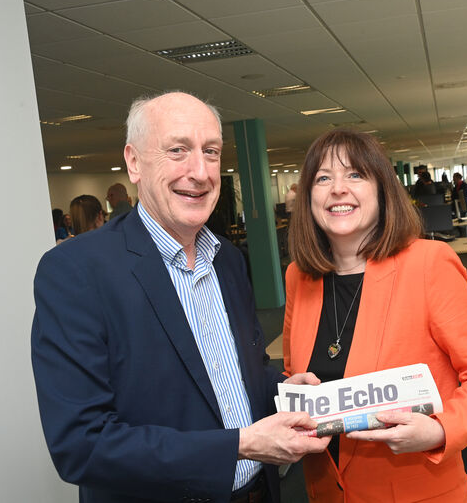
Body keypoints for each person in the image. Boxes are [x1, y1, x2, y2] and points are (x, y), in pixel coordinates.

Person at [31, 91, 329, 503]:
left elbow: (236, 374)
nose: (201, 172)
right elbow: (82, 445)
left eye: (211, 152)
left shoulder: (228, 259)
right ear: (134, 162)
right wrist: (238, 446)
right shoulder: (76, 272)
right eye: (178, 150)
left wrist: (281, 388)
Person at [283, 129, 467, 502]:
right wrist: (289, 390)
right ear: (309, 197)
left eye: (355, 174)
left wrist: (439, 431)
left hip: (416, 490)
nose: (338, 188)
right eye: (323, 178)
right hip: (327, 490)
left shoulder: (428, 264)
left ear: (382, 190)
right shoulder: (299, 277)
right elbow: (297, 373)